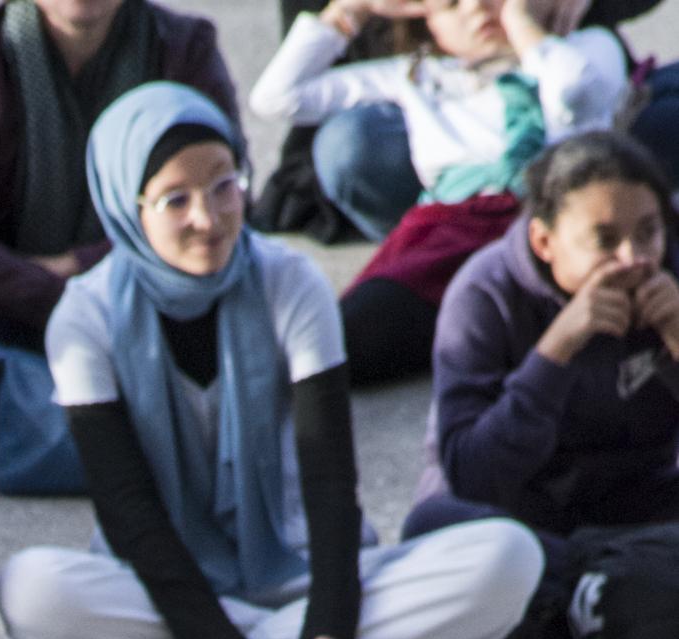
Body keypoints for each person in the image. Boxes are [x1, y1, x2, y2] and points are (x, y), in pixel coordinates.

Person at [0, 87, 544, 639]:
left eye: (224, 187)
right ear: (126, 207)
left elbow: (330, 482)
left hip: (302, 571)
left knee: (508, 561)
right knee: (30, 595)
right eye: (175, 200)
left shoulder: (290, 282)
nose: (208, 218)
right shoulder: (83, 318)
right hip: (157, 583)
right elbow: (127, 511)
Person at [0, 0, 238, 493]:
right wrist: (64, 296)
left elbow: (223, 201)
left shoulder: (184, 50)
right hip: (9, 300)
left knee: (220, 288)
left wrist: (83, 267)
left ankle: (120, 424)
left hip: (143, 288)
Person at [249, 0, 628, 382]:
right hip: (453, 226)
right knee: (346, 338)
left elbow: (576, 92)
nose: (478, 8)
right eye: (451, 3)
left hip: (556, 219)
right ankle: (489, 333)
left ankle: (523, 333)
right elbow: (276, 98)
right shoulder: (418, 74)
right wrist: (352, 9)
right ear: (427, 20)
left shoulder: (583, 48)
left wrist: (522, 24)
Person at [410, 130, 679, 537]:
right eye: (604, 240)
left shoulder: (669, 274)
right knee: (438, 525)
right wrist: (555, 352)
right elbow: (472, 477)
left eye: (647, 232)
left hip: (642, 503)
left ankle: (606, 584)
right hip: (525, 517)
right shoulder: (485, 294)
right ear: (543, 241)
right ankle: (600, 584)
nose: (633, 259)